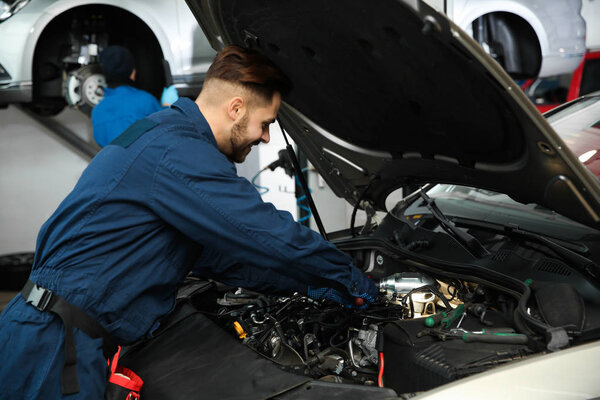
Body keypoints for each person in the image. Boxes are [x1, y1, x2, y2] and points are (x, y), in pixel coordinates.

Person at [0, 45, 378, 399]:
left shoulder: (169, 136)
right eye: (266, 123)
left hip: (62, 336)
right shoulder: (178, 151)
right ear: (236, 108)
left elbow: (225, 260)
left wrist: (311, 286)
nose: (264, 137)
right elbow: (263, 230)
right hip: (51, 345)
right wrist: (350, 278)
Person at [91, 45, 179, 147]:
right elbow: (167, 130)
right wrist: (167, 105)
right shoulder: (145, 101)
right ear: (132, 72)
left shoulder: (97, 112)